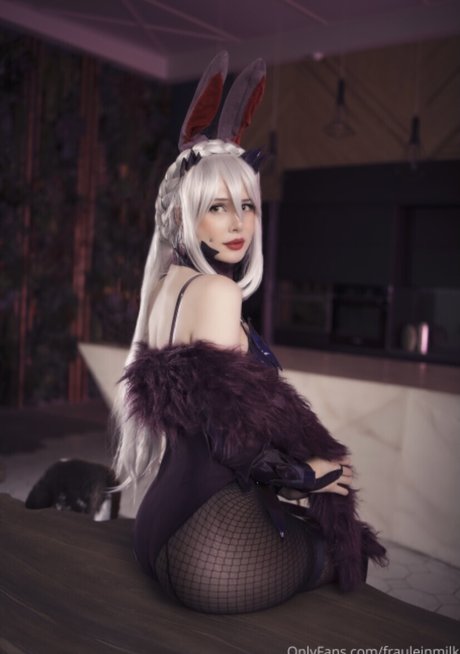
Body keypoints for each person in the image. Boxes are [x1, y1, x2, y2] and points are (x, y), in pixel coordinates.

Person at [113, 54, 386, 615]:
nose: (238, 223)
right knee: (345, 555)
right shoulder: (218, 292)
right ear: (184, 216)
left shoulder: (165, 285)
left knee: (306, 535)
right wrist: (307, 475)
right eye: (218, 207)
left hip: (156, 529)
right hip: (210, 552)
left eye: (247, 205)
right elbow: (232, 444)